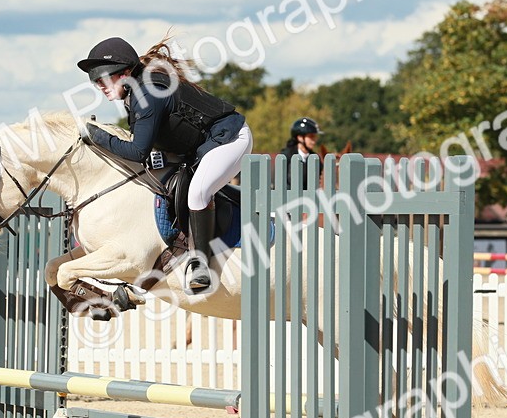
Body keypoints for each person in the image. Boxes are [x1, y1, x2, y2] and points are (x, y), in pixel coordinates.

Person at [76, 36, 252, 294]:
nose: (100, 86)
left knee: (198, 192)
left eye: (104, 79)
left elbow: (136, 151)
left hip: (230, 139)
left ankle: (201, 264)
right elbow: (147, 147)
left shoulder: (147, 95)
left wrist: (99, 137)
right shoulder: (137, 93)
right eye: (96, 81)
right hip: (201, 147)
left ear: (125, 73)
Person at [278, 117, 323, 190]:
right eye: (311, 136)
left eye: (315, 137)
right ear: (300, 137)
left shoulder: (315, 157)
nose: (314, 140)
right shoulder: (286, 156)